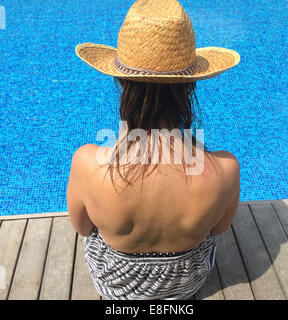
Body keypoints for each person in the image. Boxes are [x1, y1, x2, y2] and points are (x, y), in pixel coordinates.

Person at [67, 0, 240, 300]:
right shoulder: (225, 170)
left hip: (115, 288)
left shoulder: (87, 164)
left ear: (122, 82)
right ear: (189, 87)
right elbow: (220, 229)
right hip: (185, 286)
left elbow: (83, 228)